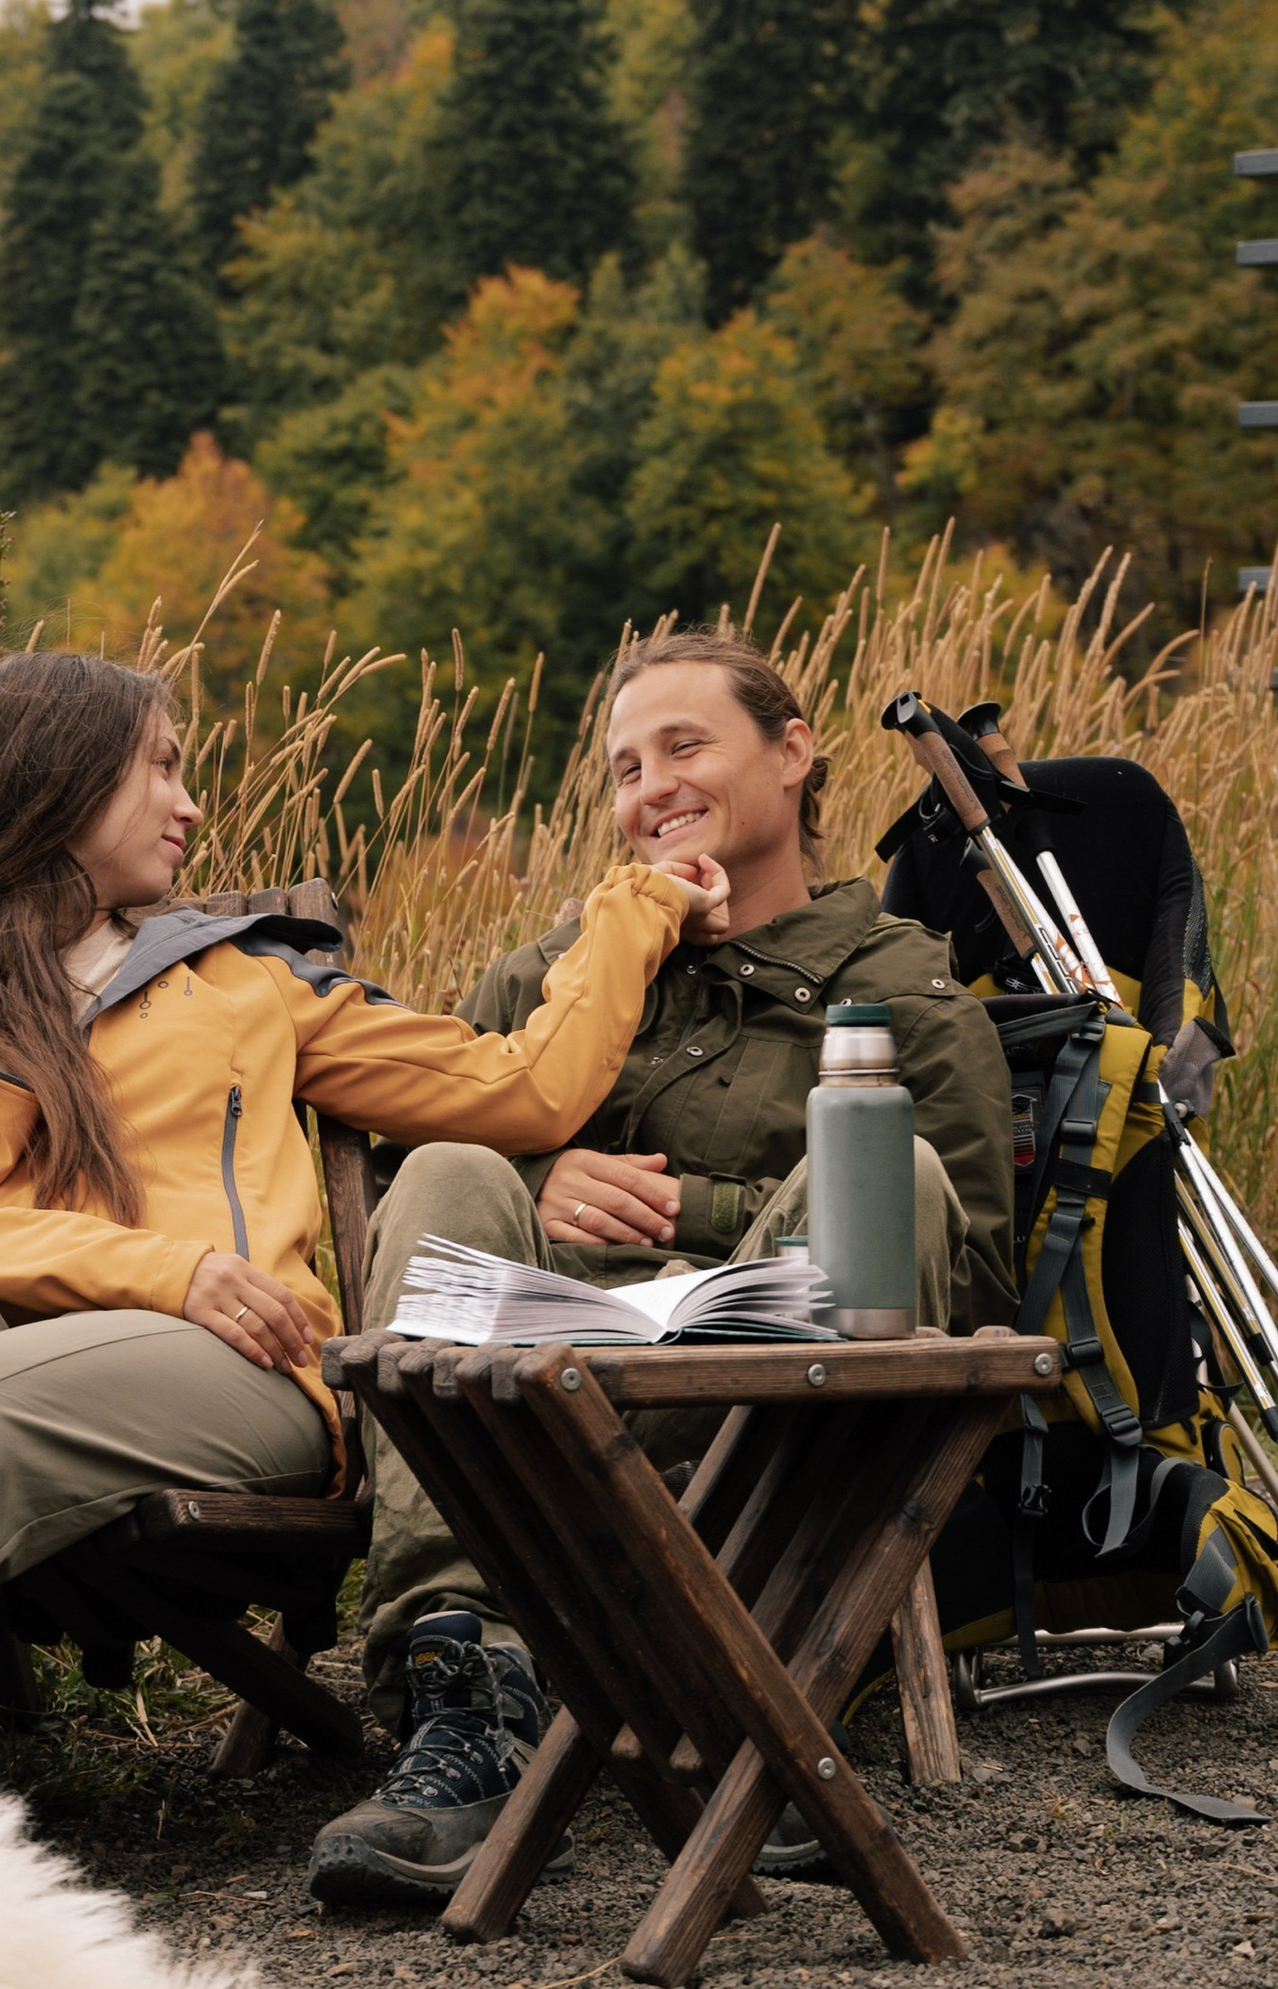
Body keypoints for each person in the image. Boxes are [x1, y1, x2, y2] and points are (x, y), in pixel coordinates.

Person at [0, 647, 722, 1758]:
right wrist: (160, 1266)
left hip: (233, 1364)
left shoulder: (246, 977)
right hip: (1, 1344)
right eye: (160, 767)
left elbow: (520, 1090)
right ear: (61, 776)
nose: (190, 805)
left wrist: (641, 905)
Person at [307, 630, 1018, 1912]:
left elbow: (965, 1263)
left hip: (752, 1394)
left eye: (684, 745)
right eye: (626, 768)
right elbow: (451, 1180)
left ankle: (745, 1654)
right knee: (445, 1171)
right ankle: (465, 1692)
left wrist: (697, 1203)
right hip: (540, 1382)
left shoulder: (899, 985)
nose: (650, 788)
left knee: (893, 1170)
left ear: (793, 754)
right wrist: (533, 1179)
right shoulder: (545, 976)